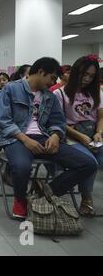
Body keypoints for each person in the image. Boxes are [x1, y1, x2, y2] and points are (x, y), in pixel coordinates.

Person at [0, 57, 97, 219]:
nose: (53, 82)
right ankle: (20, 200)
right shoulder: (11, 89)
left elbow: (58, 121)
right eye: (52, 78)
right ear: (41, 72)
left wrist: (55, 135)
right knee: (21, 167)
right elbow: (1, 120)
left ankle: (47, 191)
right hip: (16, 139)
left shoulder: (50, 97)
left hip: (44, 138)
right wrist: (26, 140)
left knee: (88, 164)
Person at [53, 56, 102, 216]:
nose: (87, 79)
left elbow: (101, 116)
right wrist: (81, 137)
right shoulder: (60, 93)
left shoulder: (97, 93)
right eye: (84, 74)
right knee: (91, 163)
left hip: (93, 135)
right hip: (71, 137)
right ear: (75, 72)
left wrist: (99, 132)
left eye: (91, 76)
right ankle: (86, 198)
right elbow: (59, 123)